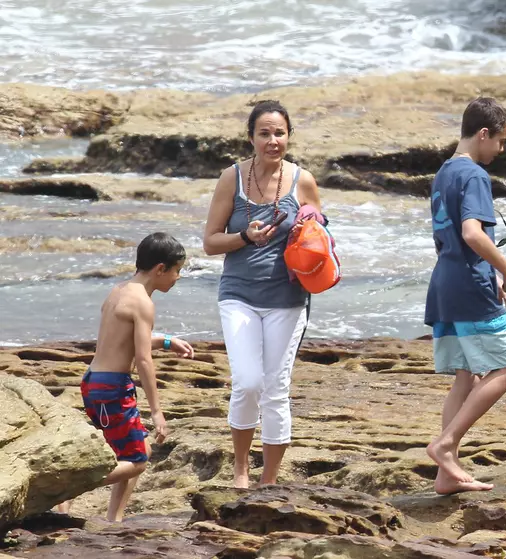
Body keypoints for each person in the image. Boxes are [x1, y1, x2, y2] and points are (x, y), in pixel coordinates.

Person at [203, 100, 323, 489]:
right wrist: (245, 237)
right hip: (238, 294)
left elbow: (319, 234)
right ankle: (240, 469)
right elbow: (209, 242)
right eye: (265, 133)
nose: (273, 141)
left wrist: (310, 223)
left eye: (280, 133)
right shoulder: (231, 178)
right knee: (248, 381)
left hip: (287, 299)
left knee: (275, 388)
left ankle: (269, 480)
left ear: (289, 136)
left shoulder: (303, 180)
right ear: (251, 137)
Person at [424, 97, 506, 494]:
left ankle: (445, 476)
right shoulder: (476, 176)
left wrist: (492, 273)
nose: (500, 150)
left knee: (466, 376)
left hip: (446, 282)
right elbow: (472, 232)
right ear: (483, 134)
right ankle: (445, 446)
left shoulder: (444, 172)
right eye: (500, 141)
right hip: (469, 286)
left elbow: (452, 239)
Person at [59, 232, 195, 521]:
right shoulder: (143, 303)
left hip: (94, 381)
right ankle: (65, 490)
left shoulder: (118, 291)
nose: (177, 278)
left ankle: (114, 520)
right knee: (137, 460)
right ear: (161, 268)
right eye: (177, 271)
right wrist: (157, 412)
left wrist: (167, 342)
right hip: (112, 388)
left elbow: (125, 341)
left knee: (136, 450)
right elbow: (143, 360)